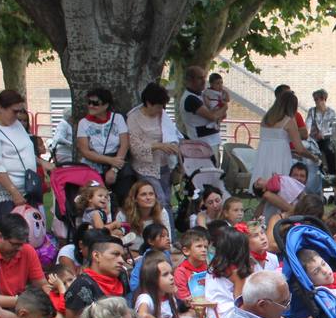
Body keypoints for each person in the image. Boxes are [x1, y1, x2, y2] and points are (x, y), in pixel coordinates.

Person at [0, 89, 37, 237]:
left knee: (30, 234)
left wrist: (42, 163)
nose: (17, 115)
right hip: (7, 194)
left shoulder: (16, 124)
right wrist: (14, 192)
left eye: (19, 111)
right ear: (1, 108)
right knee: (11, 235)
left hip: (27, 188)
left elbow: (25, 150)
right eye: (14, 111)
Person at [125, 82, 181, 215]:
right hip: (146, 167)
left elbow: (173, 133)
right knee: (159, 199)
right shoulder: (134, 118)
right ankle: (164, 231)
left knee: (166, 200)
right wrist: (158, 146)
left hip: (164, 164)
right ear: (148, 103)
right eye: (157, 106)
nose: (160, 109)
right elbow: (135, 147)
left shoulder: (163, 115)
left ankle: (166, 232)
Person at [74, 88, 131, 187]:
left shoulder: (118, 119)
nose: (91, 106)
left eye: (95, 103)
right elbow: (85, 151)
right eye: (89, 102)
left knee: (125, 186)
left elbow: (124, 144)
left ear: (106, 105)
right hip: (93, 165)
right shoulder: (83, 123)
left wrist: (114, 169)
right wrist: (109, 160)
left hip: (116, 162)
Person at [180, 65, 227, 158]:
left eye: (204, 77)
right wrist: (225, 107)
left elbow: (218, 115)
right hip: (202, 145)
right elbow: (212, 116)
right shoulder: (190, 99)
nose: (204, 81)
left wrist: (219, 113)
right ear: (190, 80)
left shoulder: (202, 95)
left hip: (211, 142)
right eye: (200, 78)